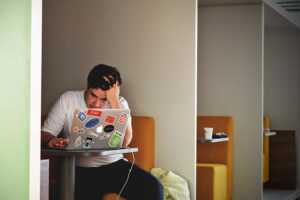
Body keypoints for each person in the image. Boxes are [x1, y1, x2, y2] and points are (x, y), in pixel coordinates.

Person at [41, 64, 164, 200]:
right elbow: (44, 134)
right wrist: (51, 140)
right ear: (87, 86)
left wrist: (114, 101)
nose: (97, 104)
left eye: (104, 99)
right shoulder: (68, 99)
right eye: (93, 95)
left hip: (114, 166)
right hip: (79, 169)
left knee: (154, 187)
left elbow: (125, 141)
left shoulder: (120, 103)